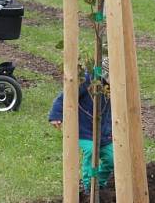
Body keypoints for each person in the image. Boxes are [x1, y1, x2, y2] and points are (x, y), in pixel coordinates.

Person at [48, 61, 113, 194]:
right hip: (85, 130)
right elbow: (66, 96)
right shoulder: (88, 80)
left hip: (104, 132)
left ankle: (99, 183)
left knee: (111, 159)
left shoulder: (115, 88)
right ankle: (89, 186)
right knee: (91, 152)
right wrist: (56, 115)